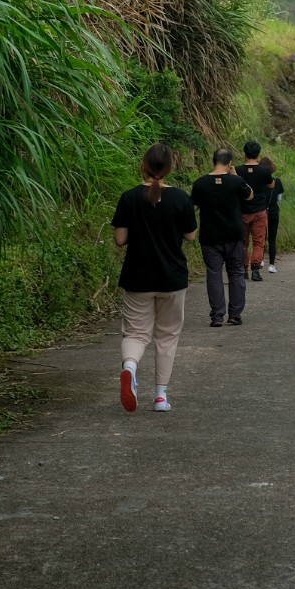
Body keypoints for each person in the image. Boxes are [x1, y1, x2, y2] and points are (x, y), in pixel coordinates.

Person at [112, 143, 197, 413]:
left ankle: (130, 367)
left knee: (136, 333)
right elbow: (191, 235)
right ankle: (160, 397)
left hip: (137, 277)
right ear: (170, 167)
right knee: (167, 336)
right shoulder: (181, 198)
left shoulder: (129, 197)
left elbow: (120, 239)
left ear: (143, 166)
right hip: (172, 278)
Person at [191, 148, 252, 327]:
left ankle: (217, 316)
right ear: (229, 163)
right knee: (236, 272)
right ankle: (235, 315)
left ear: (213, 162)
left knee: (214, 274)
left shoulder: (200, 183)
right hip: (234, 235)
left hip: (210, 236)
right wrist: (235, 175)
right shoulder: (236, 181)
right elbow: (250, 195)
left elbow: (192, 207)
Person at [236, 139, 274, 281]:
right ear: (258, 154)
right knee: (259, 242)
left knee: (243, 242)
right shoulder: (264, 171)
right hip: (259, 211)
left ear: (245, 153)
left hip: (242, 211)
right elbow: (271, 185)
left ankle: (243, 270)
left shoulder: (237, 170)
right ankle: (256, 269)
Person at [263, 157, 285, 273]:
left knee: (260, 238)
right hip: (273, 212)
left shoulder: (258, 181)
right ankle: (271, 265)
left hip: (261, 212)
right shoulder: (277, 181)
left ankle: (260, 260)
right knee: (272, 239)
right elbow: (279, 198)